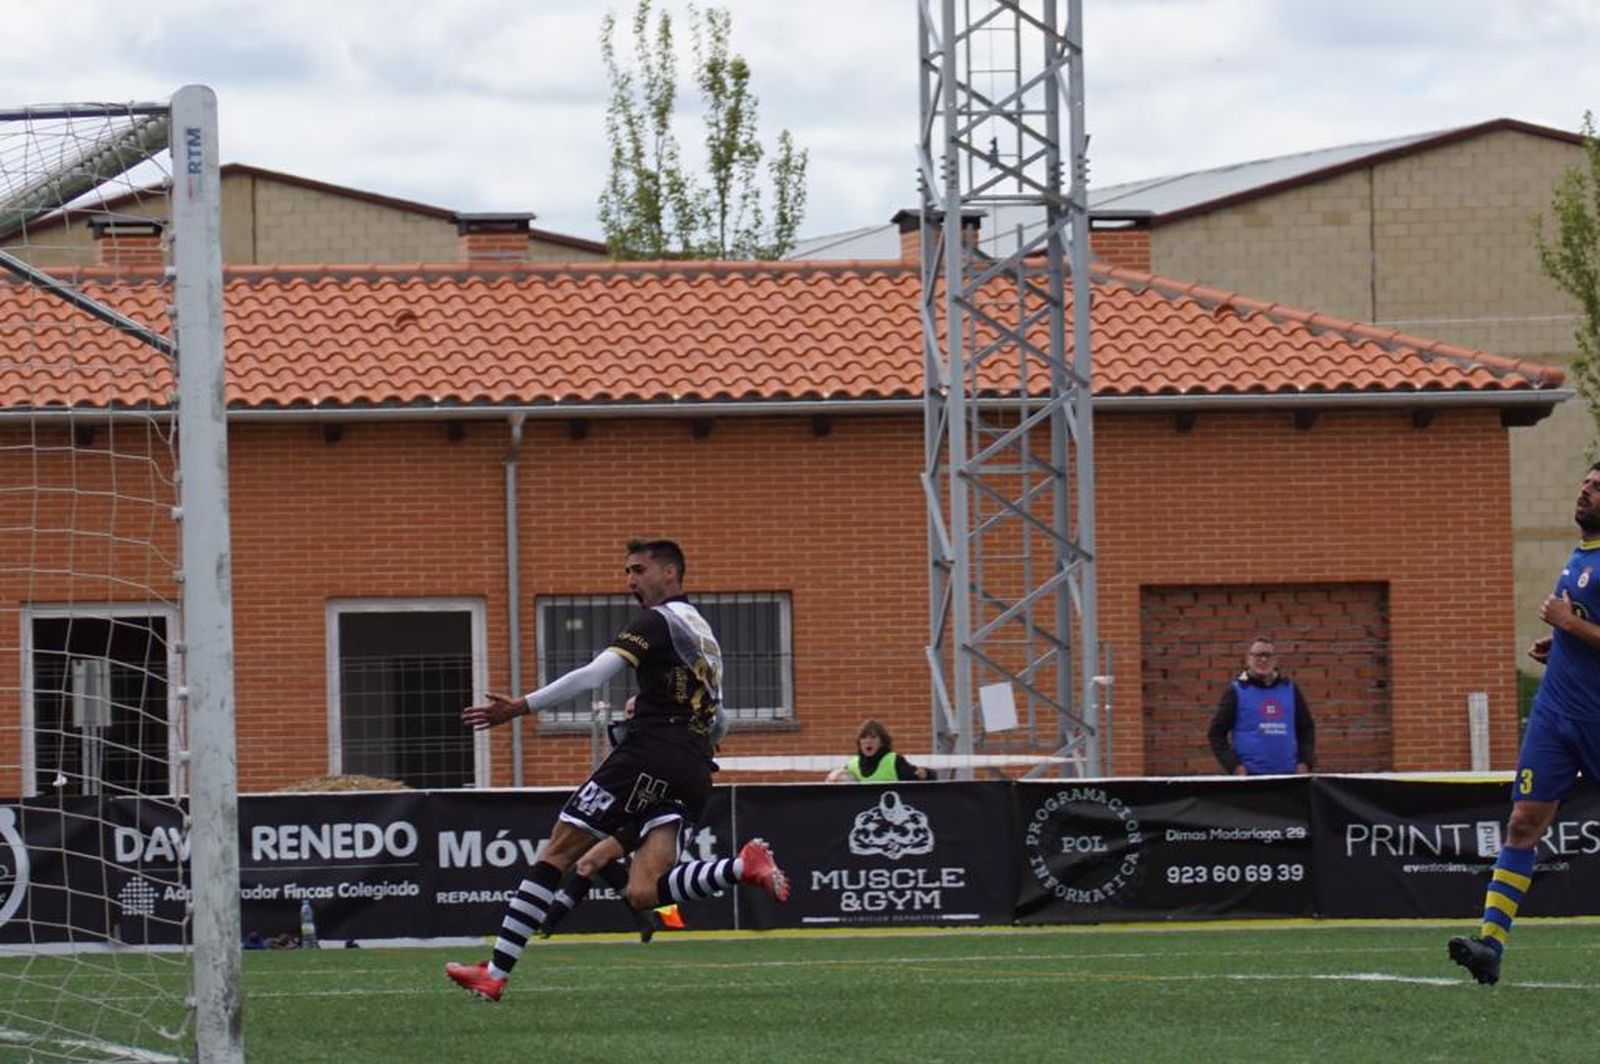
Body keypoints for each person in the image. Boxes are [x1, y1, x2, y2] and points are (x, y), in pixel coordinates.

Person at [444, 538, 789, 1002]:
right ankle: (741, 867)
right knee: (643, 891)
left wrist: (522, 706)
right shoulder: (704, 632)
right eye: (627, 572)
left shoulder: (657, 620)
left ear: (670, 573)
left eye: (639, 570)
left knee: (557, 854)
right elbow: (721, 719)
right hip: (692, 766)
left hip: (648, 751)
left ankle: (497, 971)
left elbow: (592, 675)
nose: (630, 581)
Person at [1450, 463, 1600, 985]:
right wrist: (1561, 643)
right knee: (1522, 823)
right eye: (1585, 482)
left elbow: (1581, 621)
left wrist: (1570, 625)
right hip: (1556, 716)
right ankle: (1490, 946)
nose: (1585, 490)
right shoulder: (1581, 554)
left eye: (1598, 487)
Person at [1206, 638, 1315, 776]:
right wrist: (1235, 767)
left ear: (1275, 660)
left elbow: (1306, 728)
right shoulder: (1237, 691)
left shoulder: (1290, 689)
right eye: (1258, 655)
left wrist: (1304, 762)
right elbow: (1216, 734)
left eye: (1268, 655)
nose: (1263, 660)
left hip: (1289, 777)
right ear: (1248, 659)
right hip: (1250, 779)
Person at [825, 719, 935, 782]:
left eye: (873, 737)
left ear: (882, 742)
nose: (868, 741)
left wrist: (926, 774)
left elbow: (925, 777)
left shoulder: (894, 761)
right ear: (859, 742)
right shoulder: (851, 765)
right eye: (864, 738)